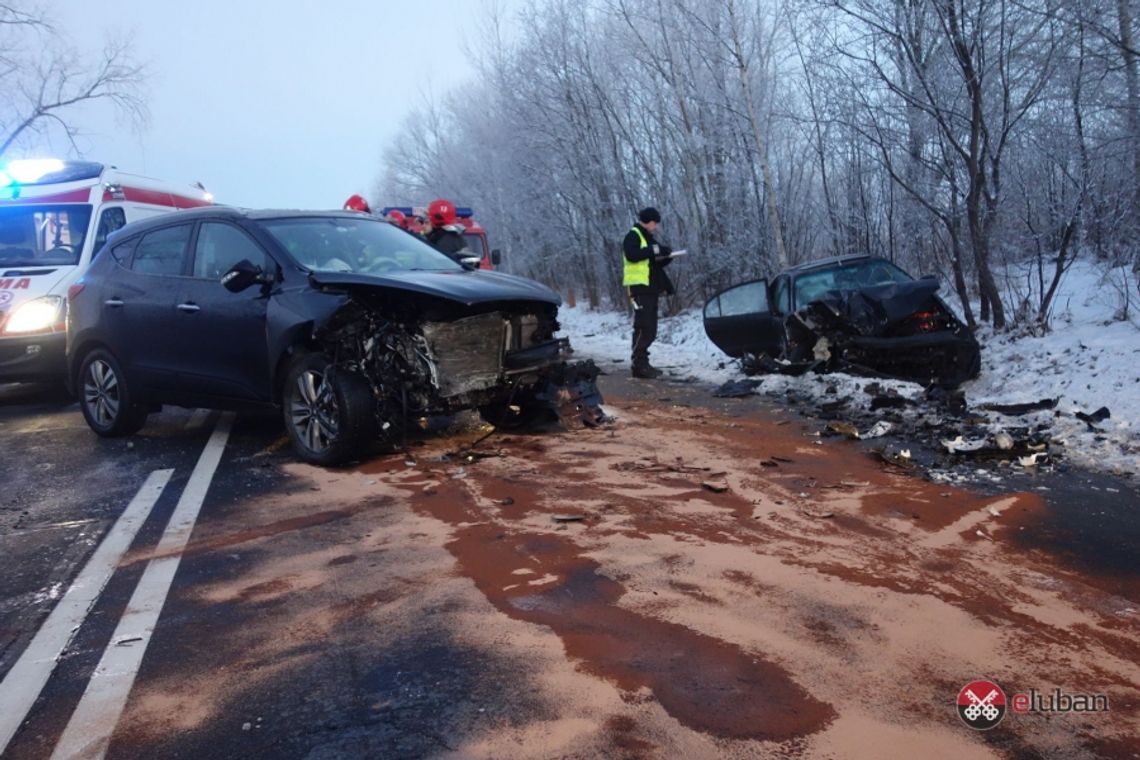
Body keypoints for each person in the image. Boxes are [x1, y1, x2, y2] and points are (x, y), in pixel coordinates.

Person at [622, 206, 675, 379]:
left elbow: (654, 262)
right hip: (638, 287)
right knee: (643, 326)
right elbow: (632, 255)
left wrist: (667, 256)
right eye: (655, 223)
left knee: (651, 327)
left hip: (651, 287)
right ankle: (638, 364)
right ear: (649, 221)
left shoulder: (649, 238)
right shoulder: (633, 236)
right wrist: (655, 250)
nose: (656, 227)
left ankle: (644, 362)